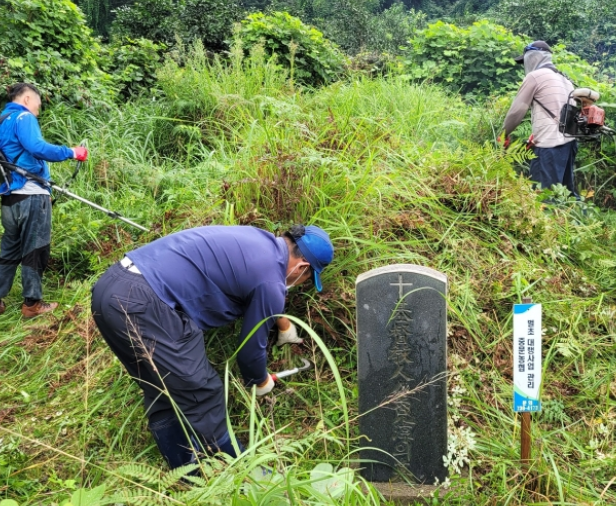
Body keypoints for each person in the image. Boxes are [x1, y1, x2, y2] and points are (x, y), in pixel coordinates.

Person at [90, 224, 334, 469]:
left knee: (162, 388)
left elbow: (259, 284)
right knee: (202, 392)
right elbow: (250, 352)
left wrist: (283, 325)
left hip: (112, 288)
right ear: (302, 267)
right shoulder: (271, 282)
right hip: (143, 302)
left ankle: (187, 473)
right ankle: (242, 472)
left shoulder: (258, 239)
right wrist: (260, 382)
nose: (300, 283)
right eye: (306, 279)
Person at [0, 83, 88, 318]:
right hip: (31, 195)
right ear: (27, 99)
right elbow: (37, 148)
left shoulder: (2, 120)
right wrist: (72, 152)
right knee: (35, 248)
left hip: (9, 198)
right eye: (38, 104)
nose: (38, 110)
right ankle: (32, 304)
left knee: (9, 249)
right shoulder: (24, 117)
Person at [500, 41, 578, 197]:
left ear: (533, 57)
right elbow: (560, 113)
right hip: (569, 145)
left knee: (543, 197)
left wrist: (504, 133)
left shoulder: (535, 77)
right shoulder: (565, 79)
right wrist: (537, 133)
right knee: (565, 196)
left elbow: (517, 111)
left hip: (549, 145)